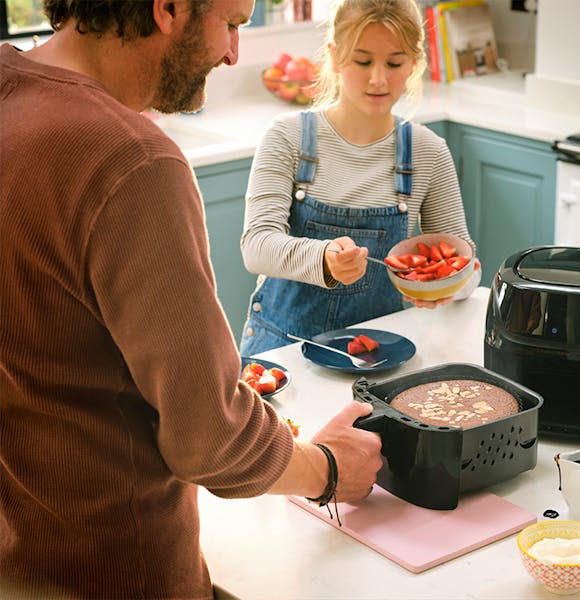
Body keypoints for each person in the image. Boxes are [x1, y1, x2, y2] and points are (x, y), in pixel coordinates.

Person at [0, 1, 382, 597]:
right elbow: (211, 439)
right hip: (114, 573)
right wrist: (328, 468)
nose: (234, 53)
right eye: (231, 23)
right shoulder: (131, 160)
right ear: (169, 9)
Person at [239, 0, 481, 354]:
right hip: (281, 350)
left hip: (377, 354)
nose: (378, 78)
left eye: (394, 63)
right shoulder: (287, 137)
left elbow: (464, 265)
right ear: (334, 56)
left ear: (414, 62)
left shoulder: (428, 152)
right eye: (363, 61)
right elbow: (256, 246)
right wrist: (324, 258)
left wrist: (445, 287)